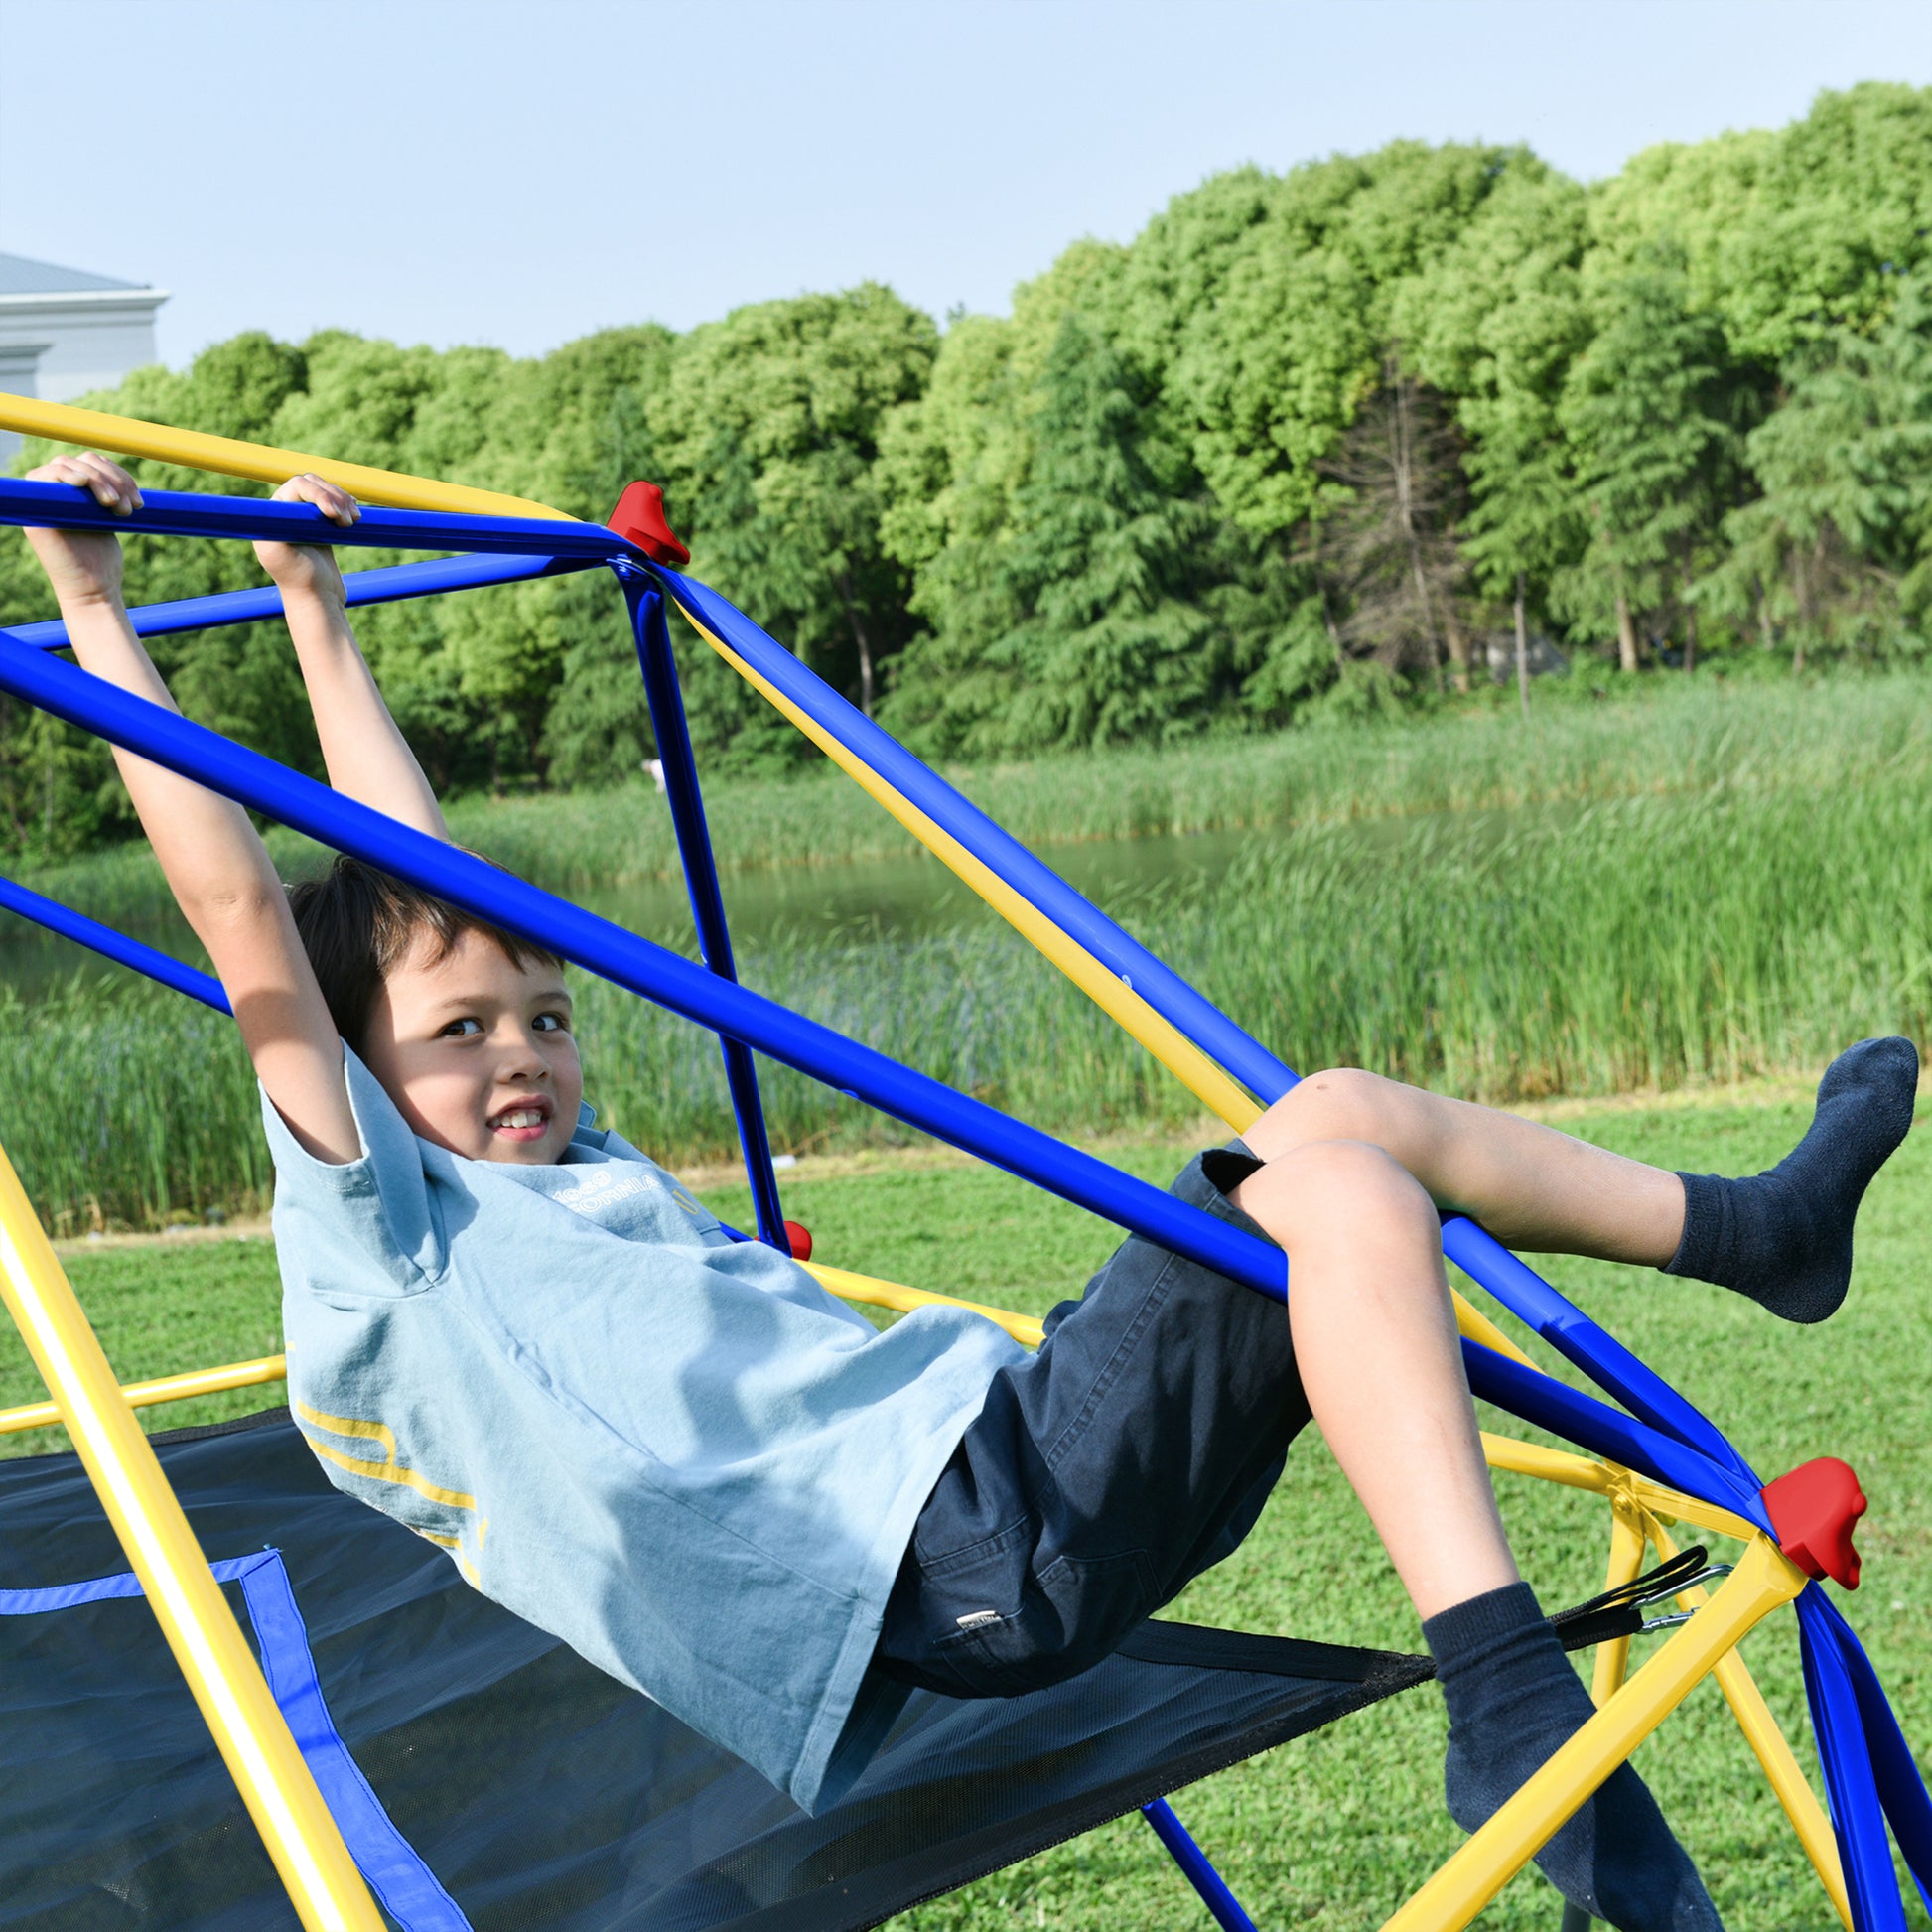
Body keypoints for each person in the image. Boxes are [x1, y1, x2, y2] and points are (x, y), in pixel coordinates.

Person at [23, 452, 1918, 1931]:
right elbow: (245, 907)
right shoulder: (402, 1239)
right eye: (460, 1034)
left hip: (1008, 1469)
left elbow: (410, 863)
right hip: (949, 1554)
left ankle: (1750, 1236)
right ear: (357, 1076)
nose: (521, 1053)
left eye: (546, 1018)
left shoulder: (566, 1163)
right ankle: (1508, 1706)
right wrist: (90, 600)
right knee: (1338, 1181)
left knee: (1332, 1121)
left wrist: (316, 608)